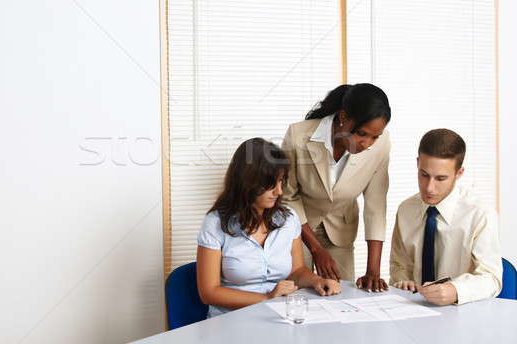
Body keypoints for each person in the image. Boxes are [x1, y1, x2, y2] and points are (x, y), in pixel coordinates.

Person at [197, 138, 341, 318]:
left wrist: (317, 280)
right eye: (271, 183)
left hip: (277, 315)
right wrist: (266, 298)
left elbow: (296, 272)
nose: (279, 191)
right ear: (248, 182)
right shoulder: (215, 223)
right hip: (232, 320)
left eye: (281, 181)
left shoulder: (288, 219)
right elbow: (209, 293)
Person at [281, 83, 391, 293]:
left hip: (341, 229)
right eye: (361, 133)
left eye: (374, 137)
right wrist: (316, 249)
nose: (367, 143)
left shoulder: (382, 144)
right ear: (343, 117)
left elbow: (376, 206)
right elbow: (288, 197)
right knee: (298, 292)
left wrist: (373, 272)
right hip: (298, 227)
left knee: (342, 296)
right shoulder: (298, 135)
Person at [389, 128, 502, 305]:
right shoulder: (406, 210)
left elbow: (492, 278)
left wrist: (456, 290)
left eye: (440, 178)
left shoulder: (480, 213)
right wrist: (403, 281)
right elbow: (400, 266)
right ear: (418, 163)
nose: (429, 188)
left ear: (459, 173)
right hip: (414, 308)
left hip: (464, 313)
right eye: (424, 174)